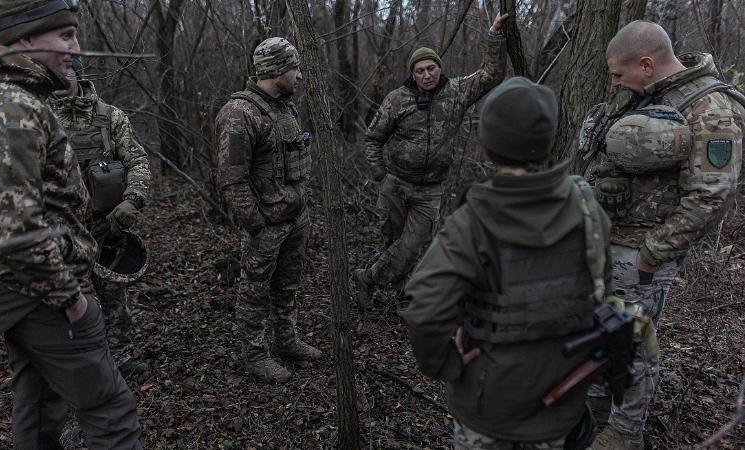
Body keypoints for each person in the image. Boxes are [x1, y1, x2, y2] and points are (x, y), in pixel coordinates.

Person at [0, 0, 141, 447]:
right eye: (65, 36)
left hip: (19, 289)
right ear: (26, 38)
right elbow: (18, 232)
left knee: (38, 407)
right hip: (43, 294)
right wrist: (71, 302)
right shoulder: (8, 108)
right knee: (110, 411)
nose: (77, 48)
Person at [403, 77, 614, 449]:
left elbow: (425, 310)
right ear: (548, 141)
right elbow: (601, 293)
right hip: (564, 399)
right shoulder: (587, 207)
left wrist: (448, 366)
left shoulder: (471, 222)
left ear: (488, 145)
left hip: (489, 408)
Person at [578, 20, 744, 449]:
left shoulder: (710, 108)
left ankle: (624, 432)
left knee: (633, 338)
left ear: (648, 64)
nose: (614, 82)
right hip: (610, 244)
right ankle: (595, 408)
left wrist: (653, 253)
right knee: (603, 330)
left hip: (642, 253)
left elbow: (711, 196)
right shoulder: (653, 94)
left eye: (618, 73)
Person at [351, 13, 509, 308]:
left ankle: (367, 278)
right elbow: (373, 139)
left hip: (430, 190)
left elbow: (492, 74)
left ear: (439, 68)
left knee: (412, 246)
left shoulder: (457, 93)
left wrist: (494, 36)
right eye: (421, 70)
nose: (427, 74)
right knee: (393, 244)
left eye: (432, 68)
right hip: (395, 184)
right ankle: (401, 297)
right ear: (413, 74)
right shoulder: (396, 100)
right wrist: (380, 175)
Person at [215, 37, 321, 383]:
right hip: (266, 225)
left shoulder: (285, 107)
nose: (300, 76)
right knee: (255, 289)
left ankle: (287, 341)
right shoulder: (239, 114)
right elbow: (232, 180)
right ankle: (255, 354)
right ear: (276, 70)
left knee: (288, 285)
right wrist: (256, 224)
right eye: (295, 68)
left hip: (294, 218)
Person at [49, 65, 151, 323]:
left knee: (115, 303)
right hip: (59, 234)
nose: (60, 75)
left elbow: (137, 161)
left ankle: (121, 359)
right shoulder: (38, 120)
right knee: (66, 307)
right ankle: (78, 360)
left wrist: (132, 200)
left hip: (105, 229)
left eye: (66, 68)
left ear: (78, 73)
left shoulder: (110, 117)